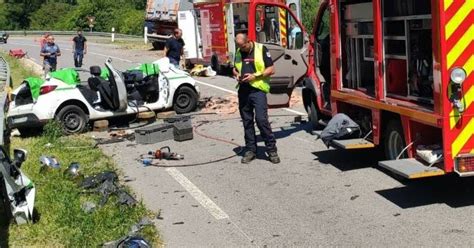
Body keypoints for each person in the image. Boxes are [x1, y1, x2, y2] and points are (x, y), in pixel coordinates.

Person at [233, 33, 280, 164]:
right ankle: (250, 150)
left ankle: (271, 150)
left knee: (261, 120)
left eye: (243, 46)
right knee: (247, 121)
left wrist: (256, 76)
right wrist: (236, 75)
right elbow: (235, 68)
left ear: (249, 41)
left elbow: (271, 69)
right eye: (239, 47)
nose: (241, 49)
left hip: (258, 91)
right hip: (243, 90)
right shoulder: (238, 51)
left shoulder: (261, 49)